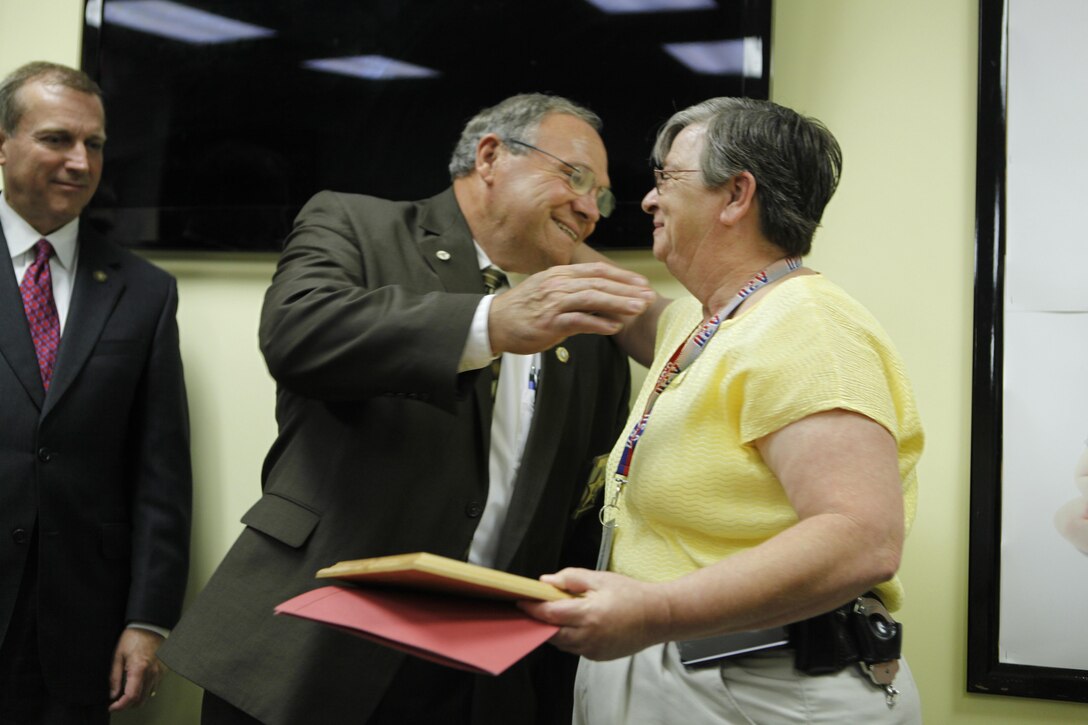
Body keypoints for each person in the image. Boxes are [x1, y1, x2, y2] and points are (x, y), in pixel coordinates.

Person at [158, 93, 655, 725]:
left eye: (603, 198)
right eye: (575, 177)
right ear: (491, 156)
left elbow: (579, 518)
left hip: (479, 683)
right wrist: (490, 323)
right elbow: (299, 334)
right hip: (310, 649)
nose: (590, 209)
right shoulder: (355, 224)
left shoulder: (586, 331)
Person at [523, 97, 925, 723]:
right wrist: (536, 215)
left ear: (737, 195)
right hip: (685, 669)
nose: (649, 201)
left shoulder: (807, 327)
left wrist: (656, 611)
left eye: (666, 179)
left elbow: (861, 540)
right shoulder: (707, 317)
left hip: (757, 686)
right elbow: (620, 302)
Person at [0, 61, 192, 724]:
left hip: (81, 625)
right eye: (57, 138)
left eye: (96, 144)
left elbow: (161, 473)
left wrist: (149, 618)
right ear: (2, 143)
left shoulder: (144, 291)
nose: (81, 162)